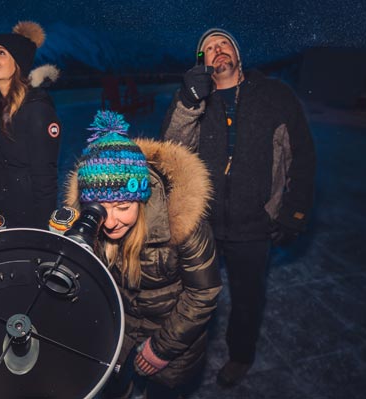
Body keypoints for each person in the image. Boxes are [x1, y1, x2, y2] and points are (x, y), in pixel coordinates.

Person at [160, 28, 316, 387]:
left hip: (255, 222)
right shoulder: (194, 98)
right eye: (208, 49)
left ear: (237, 53)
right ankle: (184, 353)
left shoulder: (275, 95)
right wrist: (188, 100)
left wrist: (294, 212)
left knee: (248, 298)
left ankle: (241, 355)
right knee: (194, 296)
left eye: (223, 44)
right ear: (201, 61)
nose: (217, 51)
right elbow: (170, 152)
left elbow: (302, 156)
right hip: (204, 223)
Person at [64, 110, 222, 398]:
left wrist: (161, 348)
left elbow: (204, 292)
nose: (110, 222)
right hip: (118, 337)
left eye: (123, 207)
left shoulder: (182, 220)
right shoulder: (90, 225)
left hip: (170, 340)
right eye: (99, 209)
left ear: (142, 196)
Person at [0, 21, 61, 230]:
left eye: (1, 53)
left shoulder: (36, 109)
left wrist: (43, 231)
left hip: (27, 220)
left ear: (18, 64)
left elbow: (45, 178)